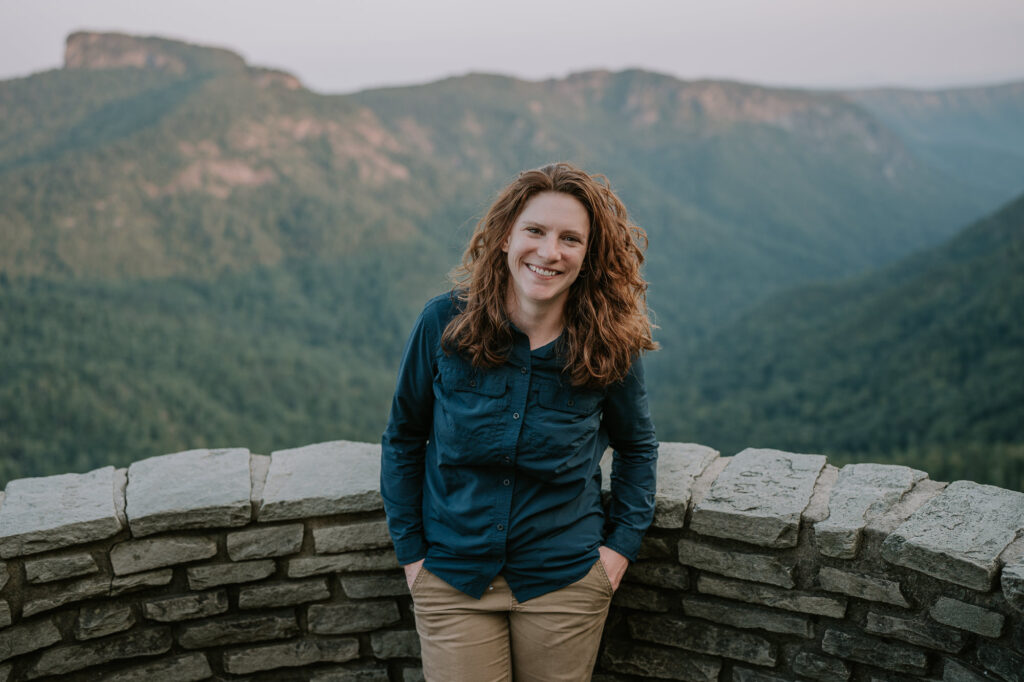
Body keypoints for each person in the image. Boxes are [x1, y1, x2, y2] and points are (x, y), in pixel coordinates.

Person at [380, 162, 659, 682]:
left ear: (588, 254)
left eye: (570, 239)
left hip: (566, 581)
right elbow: (403, 438)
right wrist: (413, 555)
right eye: (535, 231)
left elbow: (638, 447)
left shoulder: (608, 343)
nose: (549, 252)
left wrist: (617, 552)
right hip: (453, 577)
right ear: (507, 236)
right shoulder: (443, 323)